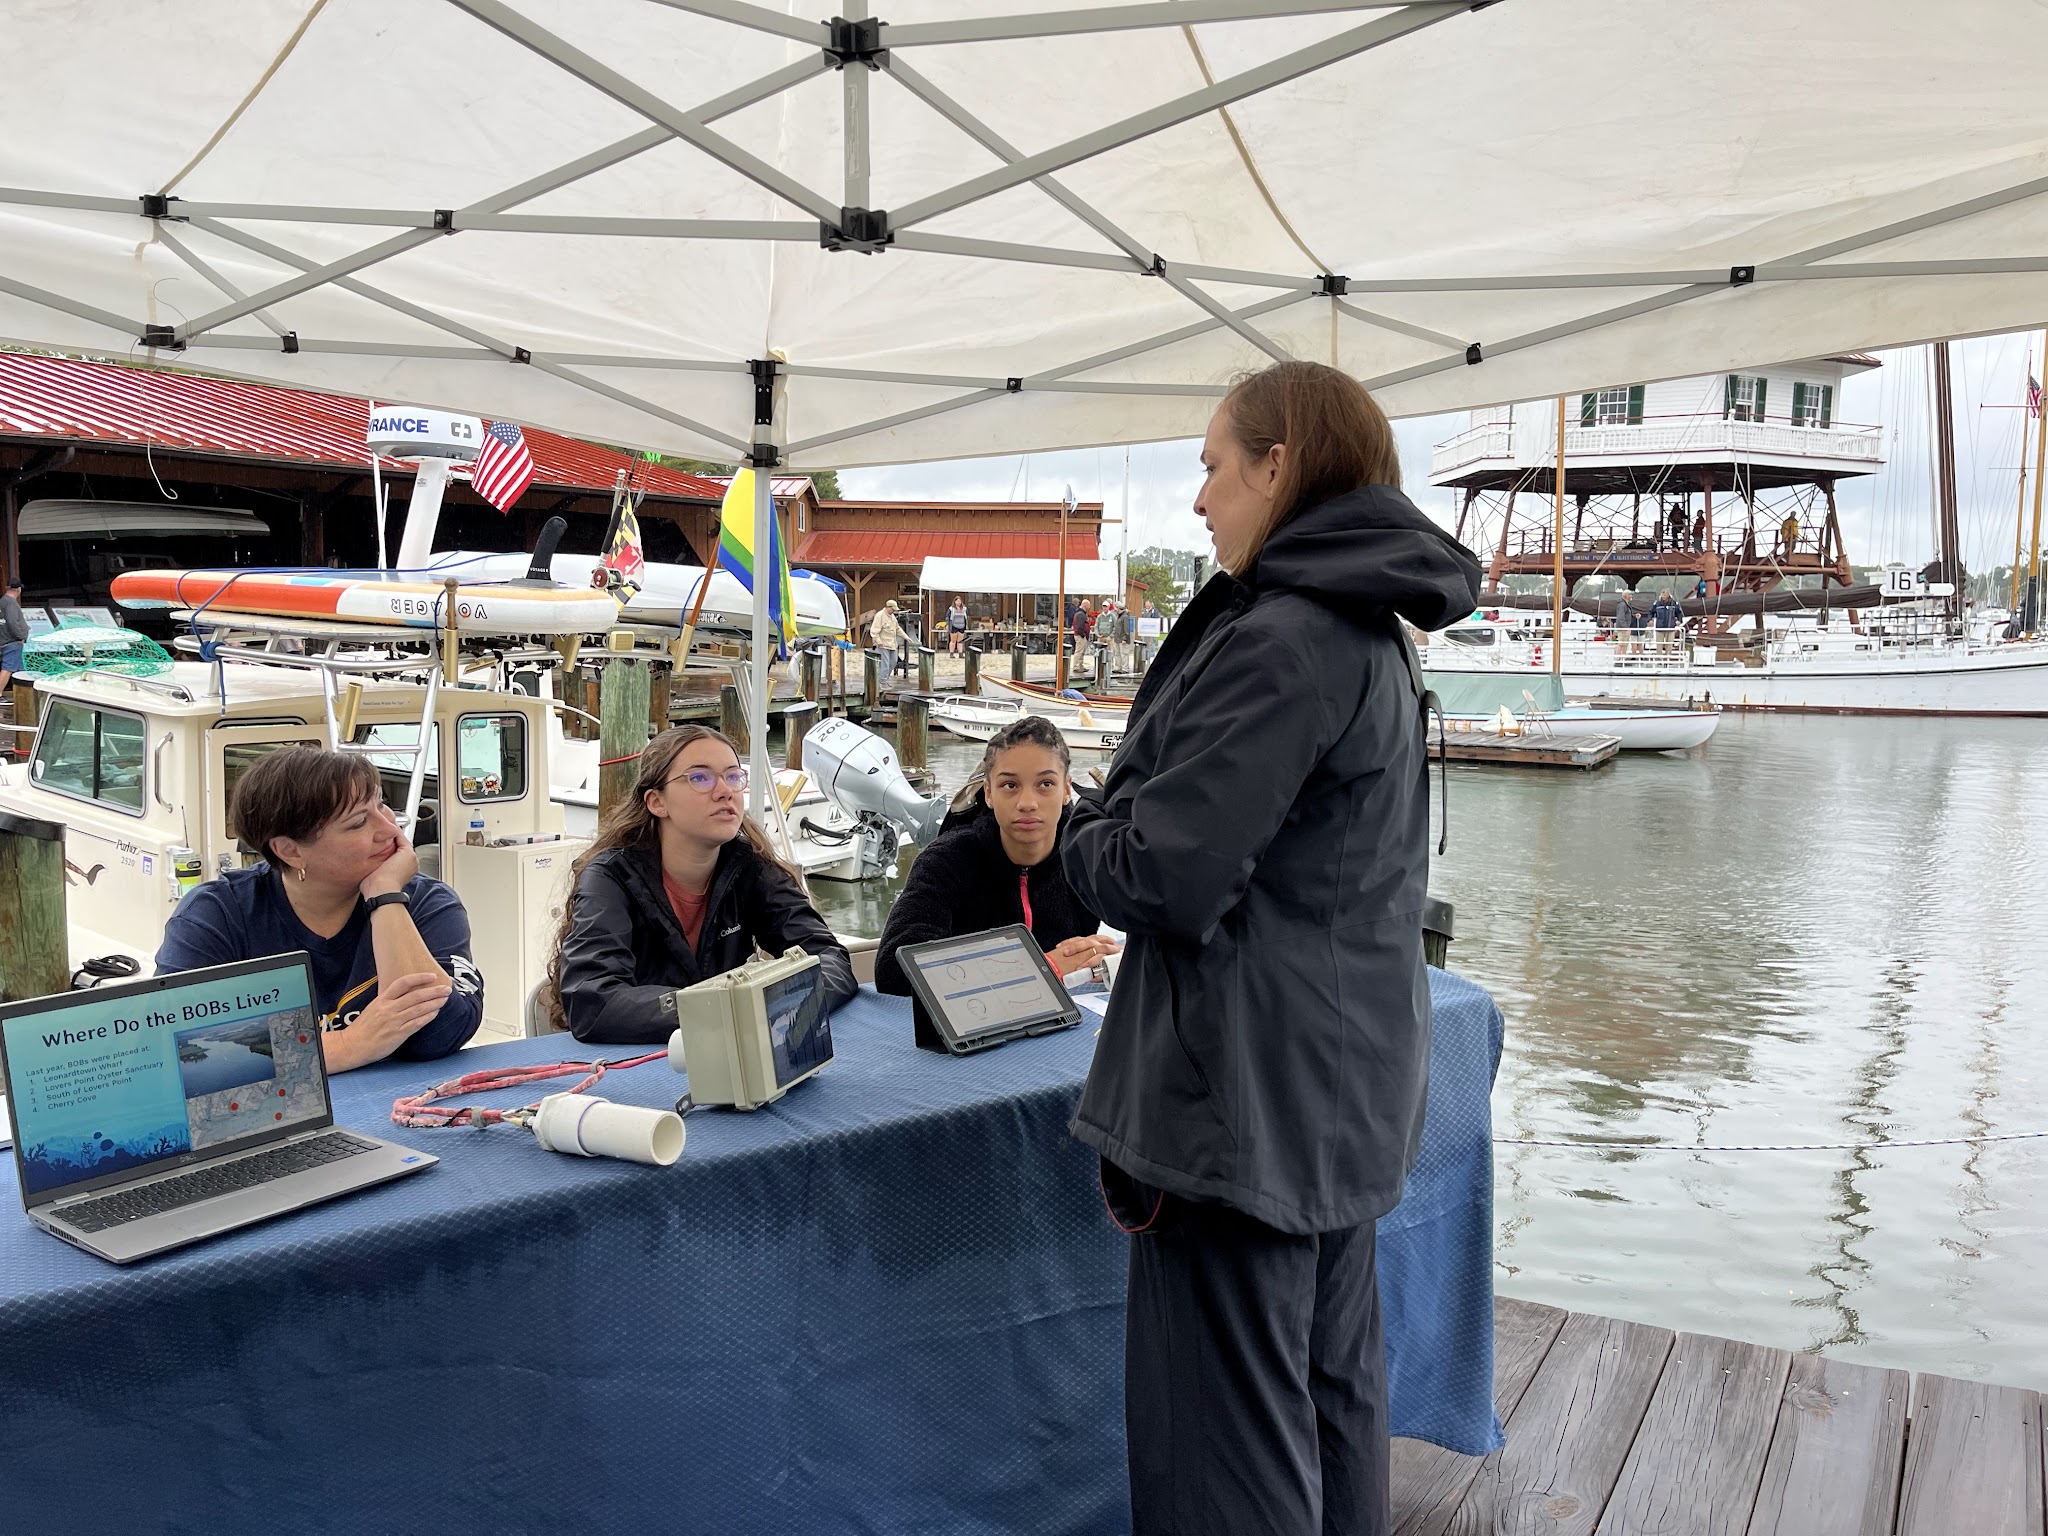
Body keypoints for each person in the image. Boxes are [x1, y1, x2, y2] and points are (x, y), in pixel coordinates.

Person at [1061, 359, 1482, 1536]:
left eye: (1210, 467)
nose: (1198, 501)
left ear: (1276, 465)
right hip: (1334, 1101)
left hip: (1238, 1112)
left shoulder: (1286, 640)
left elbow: (1163, 875)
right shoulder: (1373, 635)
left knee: (1225, 1452)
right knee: (1328, 1402)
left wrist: (1086, 826)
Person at [155, 747, 483, 1072]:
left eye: (382, 805)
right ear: (290, 851)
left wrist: (384, 897)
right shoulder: (216, 916)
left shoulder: (427, 903)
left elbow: (440, 1035)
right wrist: (350, 1044)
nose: (389, 829)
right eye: (358, 823)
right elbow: (181, 1051)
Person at [546, 725, 857, 1042]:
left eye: (734, 776)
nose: (725, 791)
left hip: (728, 1052)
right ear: (657, 802)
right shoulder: (611, 878)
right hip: (638, 1061)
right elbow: (592, 1003)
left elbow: (829, 961)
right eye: (700, 778)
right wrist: (726, 1006)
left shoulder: (749, 868)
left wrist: (765, 1002)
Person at [875, 715, 1117, 994]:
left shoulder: (1085, 855)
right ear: (989, 793)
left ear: (1066, 790)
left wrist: (1108, 961)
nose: (1027, 803)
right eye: (1010, 786)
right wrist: (1043, 967)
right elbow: (894, 971)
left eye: (1045, 784)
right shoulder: (946, 861)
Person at [0, 578, 28, 696]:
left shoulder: (2, 601)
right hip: (12, 642)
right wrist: (21, 635)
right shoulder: (11, 603)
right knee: (8, 668)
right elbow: (12, 622)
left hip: (5, 640)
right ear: (18, 589)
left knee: (20, 669)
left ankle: (24, 694)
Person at [869, 600, 904, 679]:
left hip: (892, 644)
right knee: (885, 664)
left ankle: (885, 678)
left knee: (893, 662)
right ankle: (882, 681)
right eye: (893, 609)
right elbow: (874, 630)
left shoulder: (893, 617)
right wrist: (878, 641)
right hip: (883, 644)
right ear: (888, 607)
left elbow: (897, 628)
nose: (894, 611)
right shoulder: (879, 615)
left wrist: (905, 636)